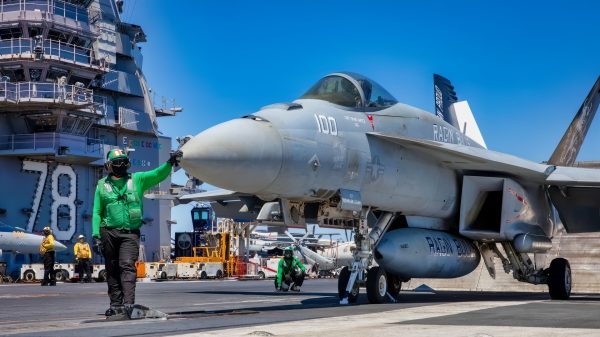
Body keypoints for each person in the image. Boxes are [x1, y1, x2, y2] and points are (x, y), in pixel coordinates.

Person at [92, 148, 181, 319]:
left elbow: (157, 175)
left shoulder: (137, 180)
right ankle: (115, 305)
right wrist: (96, 236)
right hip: (108, 232)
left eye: (123, 163)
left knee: (126, 266)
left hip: (130, 234)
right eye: (117, 163)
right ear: (109, 166)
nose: (121, 166)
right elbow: (97, 212)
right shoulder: (102, 185)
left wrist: (170, 163)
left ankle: (128, 304)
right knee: (112, 269)